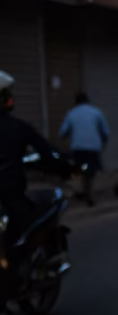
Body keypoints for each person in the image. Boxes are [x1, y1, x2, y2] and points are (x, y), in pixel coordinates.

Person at [0, 71, 63, 248]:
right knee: (26, 234)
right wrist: (65, 168)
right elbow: (48, 154)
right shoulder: (19, 127)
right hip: (11, 198)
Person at [59, 91, 109, 206]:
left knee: (78, 170)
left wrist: (64, 141)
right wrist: (104, 142)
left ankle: (80, 192)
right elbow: (105, 131)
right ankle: (89, 194)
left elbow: (62, 132)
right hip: (93, 147)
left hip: (78, 148)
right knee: (91, 172)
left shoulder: (71, 113)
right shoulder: (96, 112)